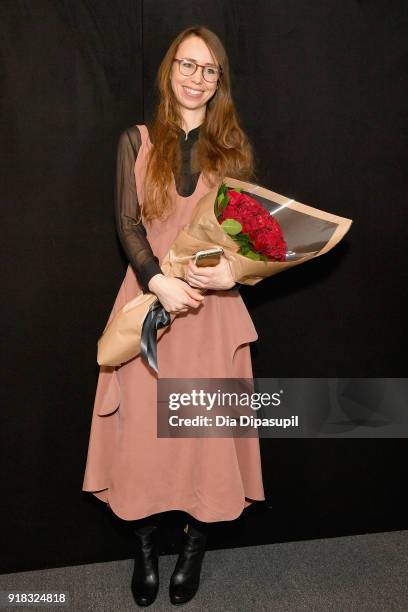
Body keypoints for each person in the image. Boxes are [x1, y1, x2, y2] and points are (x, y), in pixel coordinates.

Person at [82, 25, 265, 606]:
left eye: (209, 71)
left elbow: (248, 236)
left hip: (212, 313)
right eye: (188, 65)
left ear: (219, 84)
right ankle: (143, 549)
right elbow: (128, 223)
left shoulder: (232, 148)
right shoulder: (135, 140)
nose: (196, 78)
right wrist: (158, 281)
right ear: (170, 71)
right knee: (140, 435)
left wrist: (232, 273)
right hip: (148, 303)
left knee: (206, 436)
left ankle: (193, 545)